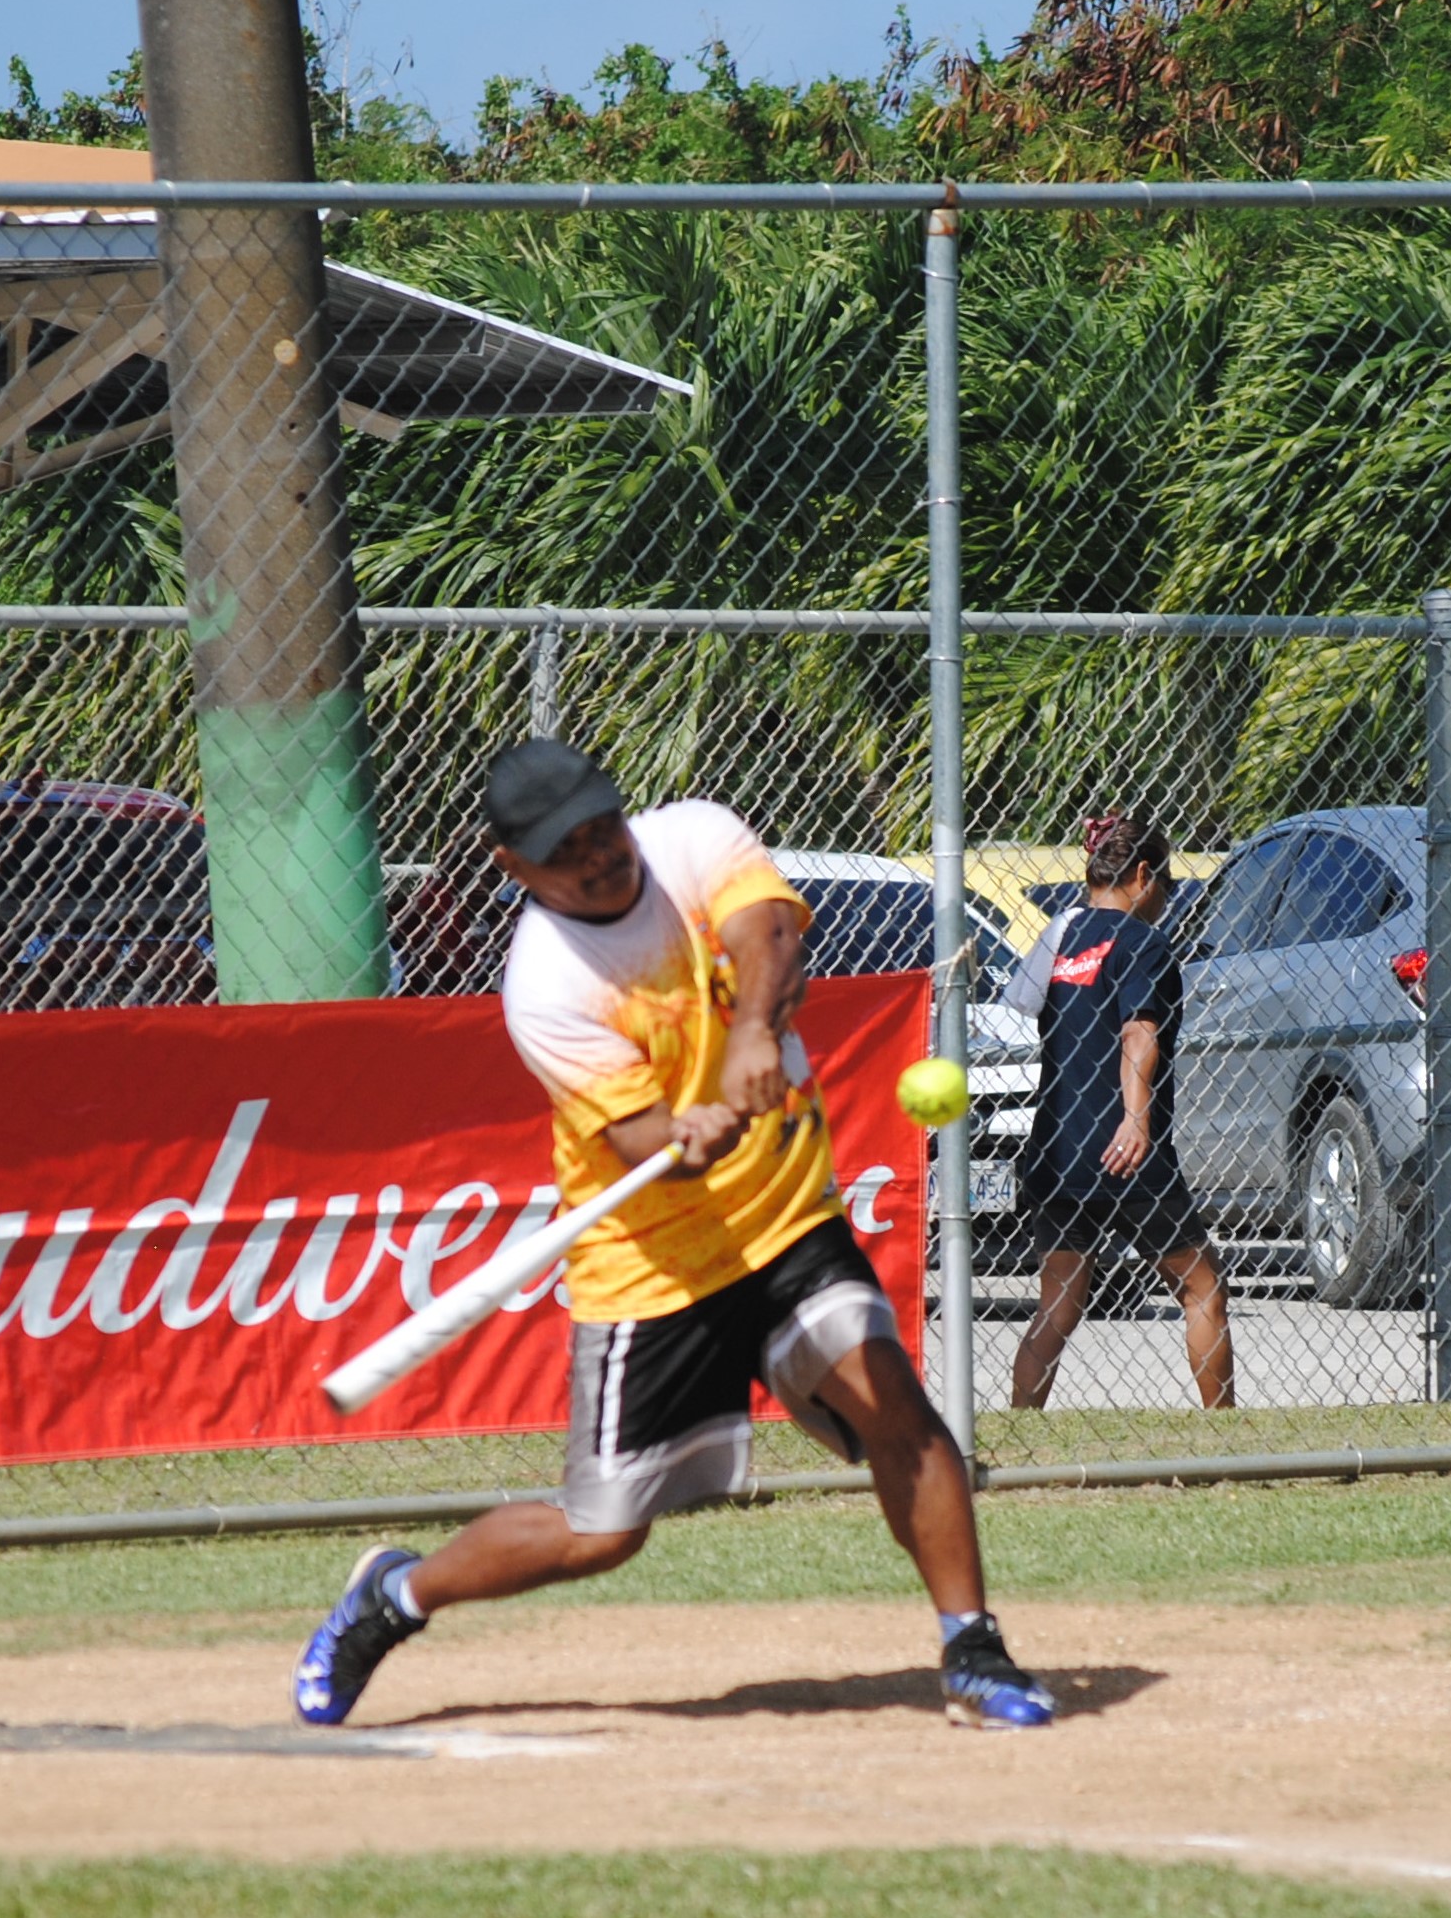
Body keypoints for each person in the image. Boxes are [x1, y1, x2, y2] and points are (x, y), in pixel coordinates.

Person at [294, 739, 1055, 1730]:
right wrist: (682, 1131)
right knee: (602, 1532)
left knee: (892, 1404)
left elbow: (771, 931)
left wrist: (748, 1036)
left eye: (601, 826)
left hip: (783, 1213)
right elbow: (637, 1137)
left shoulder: (690, 837)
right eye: (564, 849)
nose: (599, 854)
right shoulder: (547, 986)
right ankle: (395, 1593)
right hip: (654, 1262)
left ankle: (971, 1648)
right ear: (514, 867)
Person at [1006, 810, 1235, 1412]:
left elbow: (1024, 1002)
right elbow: (1139, 1033)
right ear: (1141, 874)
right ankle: (1224, 1427)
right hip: (1125, 1152)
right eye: (1165, 883)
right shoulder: (1143, 941)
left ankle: (1021, 1422)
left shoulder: (1062, 937)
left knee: (1057, 1306)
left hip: (1057, 1150)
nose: (1166, 899)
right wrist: (1136, 1118)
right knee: (1202, 1286)